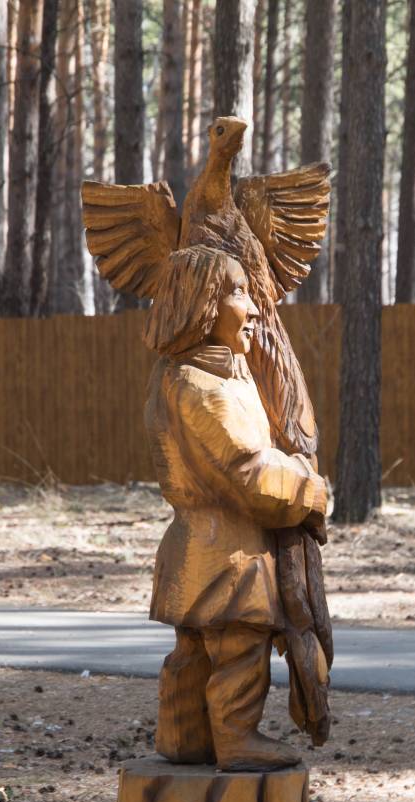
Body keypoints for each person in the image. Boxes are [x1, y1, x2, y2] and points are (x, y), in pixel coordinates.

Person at [143, 245, 329, 771]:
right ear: (202, 304)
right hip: (229, 554)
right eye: (239, 294)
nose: (252, 310)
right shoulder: (198, 387)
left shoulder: (209, 377)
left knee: (195, 652)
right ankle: (235, 737)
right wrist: (311, 489)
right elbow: (248, 473)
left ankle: (184, 736)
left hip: (201, 550)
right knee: (237, 650)